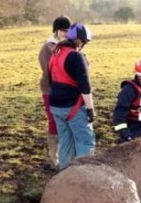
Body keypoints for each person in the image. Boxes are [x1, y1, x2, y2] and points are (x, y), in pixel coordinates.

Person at [48, 22, 96, 170]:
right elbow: (85, 87)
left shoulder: (56, 53)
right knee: (85, 142)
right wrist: (90, 109)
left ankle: (65, 176)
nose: (83, 45)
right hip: (73, 108)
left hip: (56, 107)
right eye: (84, 42)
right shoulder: (76, 56)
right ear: (79, 40)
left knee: (65, 141)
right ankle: (83, 175)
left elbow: (51, 80)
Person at [38, 16, 72, 169]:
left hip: (65, 91)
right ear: (56, 30)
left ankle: (66, 155)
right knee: (54, 122)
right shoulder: (48, 48)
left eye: (67, 30)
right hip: (51, 90)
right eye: (63, 30)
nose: (65, 33)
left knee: (66, 122)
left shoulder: (68, 46)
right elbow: (50, 70)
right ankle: (54, 159)